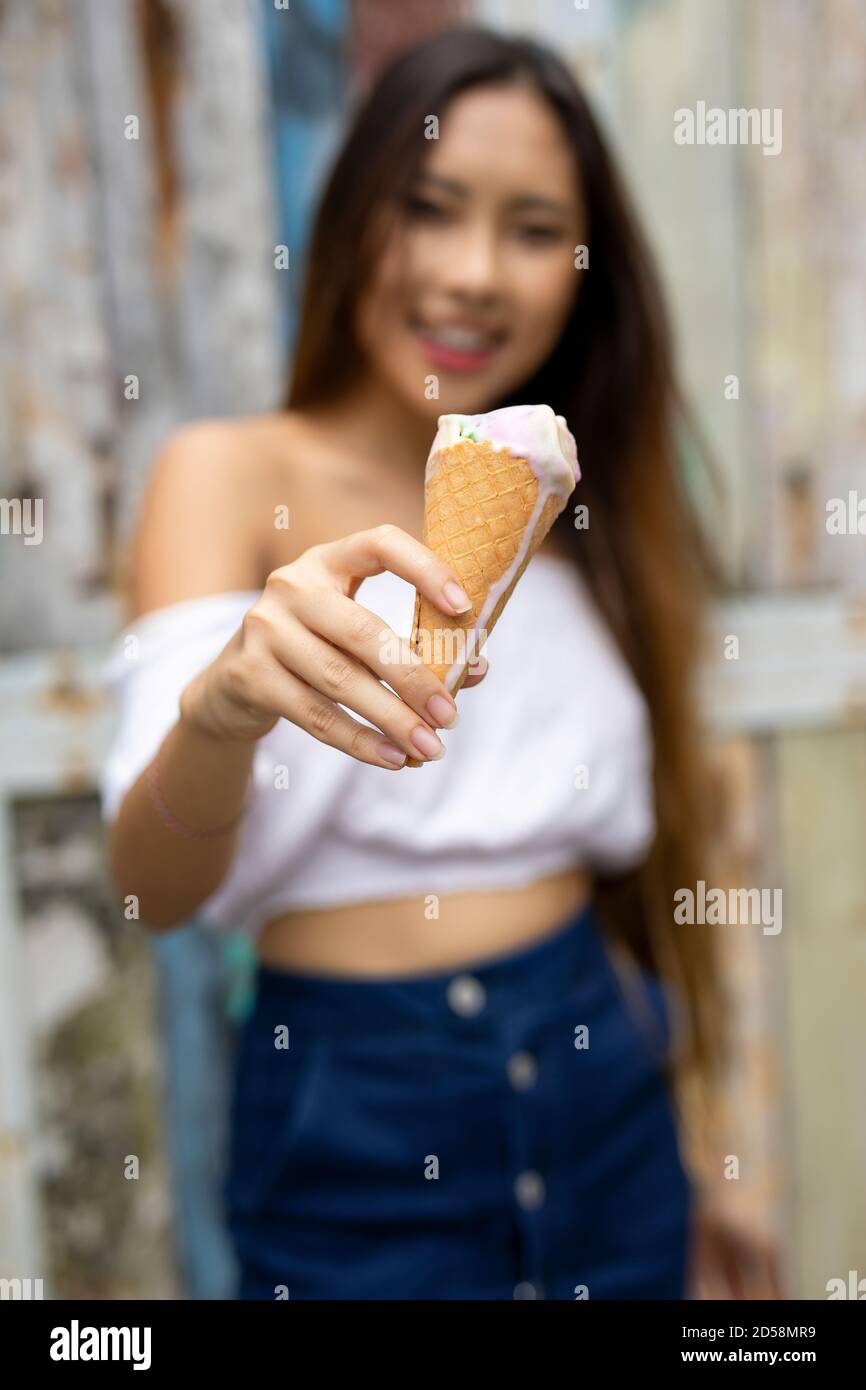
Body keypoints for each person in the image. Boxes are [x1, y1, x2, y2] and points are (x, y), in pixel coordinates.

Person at [101, 26, 778, 1300]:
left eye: (530, 229)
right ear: (355, 211)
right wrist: (226, 705)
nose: (473, 274)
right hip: (353, 1101)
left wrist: (710, 1159)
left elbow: (653, 873)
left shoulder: (581, 502)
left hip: (606, 1084)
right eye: (428, 209)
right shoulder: (230, 475)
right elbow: (152, 889)